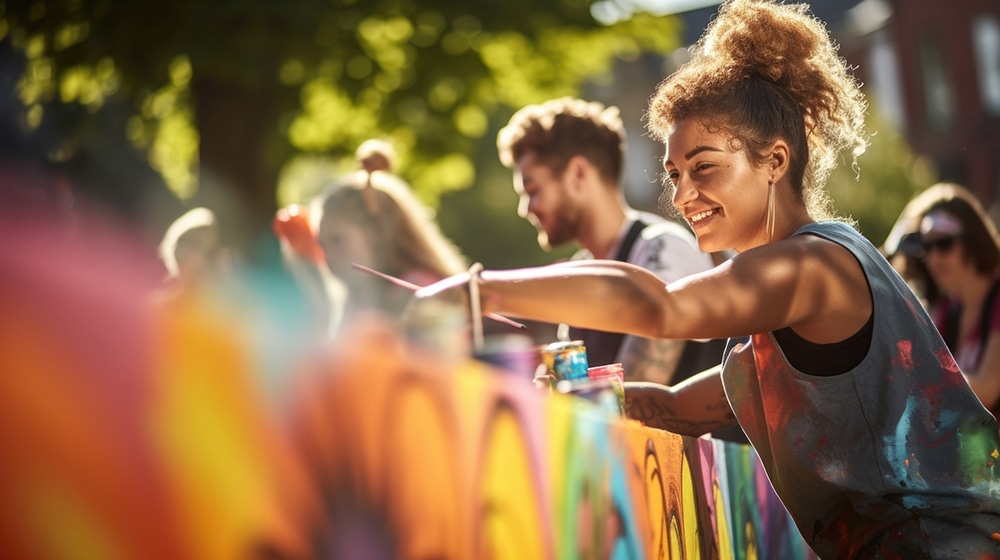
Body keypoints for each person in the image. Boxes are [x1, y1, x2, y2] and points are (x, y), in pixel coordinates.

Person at [416, 0, 1000, 557]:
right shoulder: (773, 305)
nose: (682, 194)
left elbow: (663, 309)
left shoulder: (814, 265)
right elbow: (683, 409)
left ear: (774, 161)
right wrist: (572, 399)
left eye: (704, 168)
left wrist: (478, 289)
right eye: (673, 174)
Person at [496, 97, 725, 385]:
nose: (525, 209)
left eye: (533, 190)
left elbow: (632, 396)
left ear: (578, 174)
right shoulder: (579, 270)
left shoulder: (663, 247)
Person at [883, 183, 1000, 419]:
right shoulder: (947, 308)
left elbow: (986, 391)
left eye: (944, 244)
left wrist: (923, 373)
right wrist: (899, 247)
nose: (933, 258)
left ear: (974, 241)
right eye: (926, 247)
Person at [311, 164, 467, 330]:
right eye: (322, 245)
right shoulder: (356, 299)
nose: (328, 256)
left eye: (337, 240)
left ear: (376, 232)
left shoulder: (424, 293)